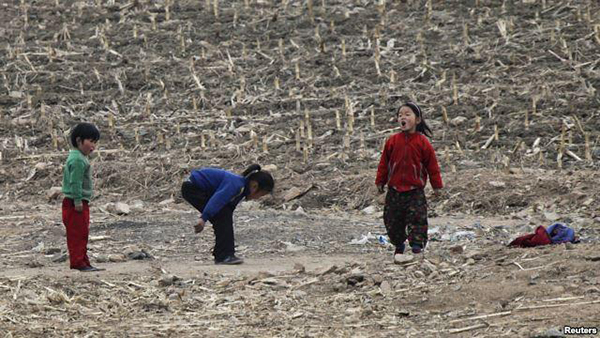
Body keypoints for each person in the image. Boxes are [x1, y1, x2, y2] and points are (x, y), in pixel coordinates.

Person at [375, 102, 443, 261]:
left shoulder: (423, 142)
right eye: (400, 115)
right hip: (394, 191)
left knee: (417, 220)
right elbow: (384, 164)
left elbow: (432, 166)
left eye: (407, 114)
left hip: (415, 191)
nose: (402, 118)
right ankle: (399, 245)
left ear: (417, 120)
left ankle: (417, 248)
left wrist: (437, 186)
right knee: (392, 221)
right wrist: (380, 182)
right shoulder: (392, 141)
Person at [181, 164, 274, 265]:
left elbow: (229, 208)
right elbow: (217, 200)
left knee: (224, 215)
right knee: (223, 215)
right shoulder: (236, 185)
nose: (259, 197)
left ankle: (223, 254)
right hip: (193, 188)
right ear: (254, 186)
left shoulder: (240, 188)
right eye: (261, 194)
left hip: (195, 187)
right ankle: (224, 255)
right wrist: (203, 218)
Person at [61, 122, 103, 272]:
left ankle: (84, 261)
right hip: (74, 203)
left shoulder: (78, 156)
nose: (93, 146)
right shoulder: (78, 159)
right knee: (77, 234)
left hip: (77, 202)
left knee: (82, 233)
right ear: (79, 141)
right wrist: (78, 200)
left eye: (95, 142)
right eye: (90, 141)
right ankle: (78, 263)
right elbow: (75, 182)